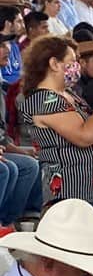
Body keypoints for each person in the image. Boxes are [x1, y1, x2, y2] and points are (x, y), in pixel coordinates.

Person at [20, 35, 93, 208]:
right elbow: (85, 136)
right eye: (72, 61)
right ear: (54, 64)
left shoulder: (70, 94)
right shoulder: (42, 100)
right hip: (70, 190)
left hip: (92, 188)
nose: (77, 66)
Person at [0, 32, 42, 228]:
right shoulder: (20, 91)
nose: (7, 49)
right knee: (7, 169)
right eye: (1, 45)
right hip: (14, 143)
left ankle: (22, 220)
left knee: (30, 164)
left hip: (5, 145)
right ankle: (4, 222)